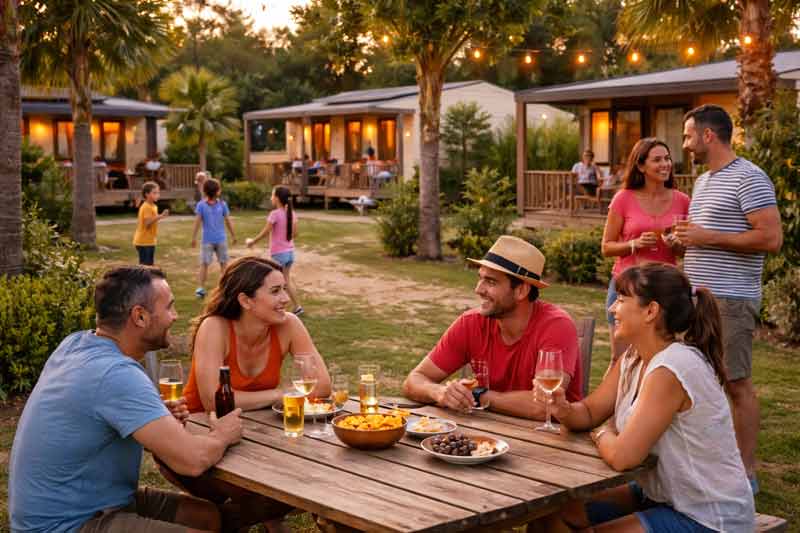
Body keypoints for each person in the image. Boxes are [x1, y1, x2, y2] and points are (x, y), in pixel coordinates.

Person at [8, 266, 243, 533]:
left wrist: (154, 416)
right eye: (169, 307)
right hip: (67, 524)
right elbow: (191, 460)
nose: (175, 316)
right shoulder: (115, 373)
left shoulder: (75, 344)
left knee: (206, 516)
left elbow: (98, 414)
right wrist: (223, 434)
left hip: (98, 501)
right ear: (139, 316)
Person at [533, 263, 755, 532]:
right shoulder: (633, 357)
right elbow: (590, 412)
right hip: (662, 493)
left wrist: (601, 433)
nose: (612, 308)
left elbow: (623, 456)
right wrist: (564, 409)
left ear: (651, 311)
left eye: (621, 299)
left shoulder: (672, 368)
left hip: (708, 514)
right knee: (549, 513)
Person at [173, 255, 330, 532]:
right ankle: (259, 516)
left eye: (285, 289)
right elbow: (213, 401)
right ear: (246, 301)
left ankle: (265, 515)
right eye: (275, 291)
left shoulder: (289, 324)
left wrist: (273, 396)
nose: (286, 299)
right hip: (203, 431)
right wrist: (281, 394)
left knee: (316, 466)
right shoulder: (215, 327)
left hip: (259, 430)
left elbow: (323, 385)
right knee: (285, 483)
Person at [678, 104, 783, 490]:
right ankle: (711, 464)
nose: (684, 144)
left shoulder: (750, 177)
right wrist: (686, 241)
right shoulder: (703, 181)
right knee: (699, 382)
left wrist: (706, 237)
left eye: (688, 135)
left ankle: (745, 474)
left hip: (731, 300)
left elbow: (770, 238)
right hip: (698, 300)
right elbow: (708, 235)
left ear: (708, 135)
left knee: (736, 383)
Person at [402, 236, 583, 419]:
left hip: (551, 435)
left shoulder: (556, 326)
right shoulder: (470, 323)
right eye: (480, 278)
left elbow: (545, 405)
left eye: (491, 282)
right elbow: (413, 381)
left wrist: (479, 396)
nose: (478, 289)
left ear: (521, 290)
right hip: (488, 431)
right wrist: (438, 392)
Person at [601, 138, 689, 361]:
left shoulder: (683, 201)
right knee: (621, 360)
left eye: (667, 158)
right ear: (641, 166)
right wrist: (634, 244)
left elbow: (686, 251)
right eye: (657, 160)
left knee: (662, 359)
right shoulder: (623, 199)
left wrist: (676, 245)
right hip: (627, 288)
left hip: (665, 291)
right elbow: (606, 247)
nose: (665, 164)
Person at [245, 186, 303, 315]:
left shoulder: (275, 214)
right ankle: (297, 307)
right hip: (290, 253)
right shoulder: (292, 213)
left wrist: (253, 241)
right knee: (286, 280)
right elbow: (295, 234)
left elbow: (266, 231)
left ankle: (274, 307)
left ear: (277, 198)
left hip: (279, 254)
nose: (271, 198)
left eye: (272, 195)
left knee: (273, 282)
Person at [191, 178, 236, 299]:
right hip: (209, 241)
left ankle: (222, 288)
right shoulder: (202, 205)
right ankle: (201, 289)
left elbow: (227, 220)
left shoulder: (221, 204)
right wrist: (233, 235)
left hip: (219, 240)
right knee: (208, 264)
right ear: (218, 191)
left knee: (221, 264)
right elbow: (198, 222)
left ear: (205, 191)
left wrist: (194, 238)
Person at [133, 181, 169, 266]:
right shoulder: (146, 206)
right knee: (145, 267)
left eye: (158, 193)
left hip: (149, 241)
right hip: (143, 241)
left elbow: (152, 221)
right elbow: (147, 222)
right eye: (154, 193)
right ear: (147, 194)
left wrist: (160, 216)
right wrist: (160, 216)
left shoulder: (154, 206)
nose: (157, 195)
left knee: (149, 266)